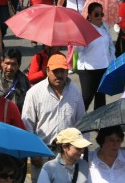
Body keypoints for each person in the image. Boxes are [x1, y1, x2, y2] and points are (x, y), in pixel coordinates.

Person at [22, 54, 86, 182]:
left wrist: (80, 151)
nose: (59, 75)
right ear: (47, 71)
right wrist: (33, 152)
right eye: (55, 71)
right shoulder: (34, 93)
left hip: (68, 154)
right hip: (41, 154)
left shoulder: (75, 92)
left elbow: (82, 123)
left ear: (67, 71)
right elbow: (27, 125)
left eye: (62, 71)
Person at [73, 2, 115, 110]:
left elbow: (110, 45)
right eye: (96, 14)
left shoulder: (105, 26)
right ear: (90, 15)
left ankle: (99, 125)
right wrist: (81, 38)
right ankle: (78, 122)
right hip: (88, 69)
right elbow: (77, 50)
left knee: (101, 99)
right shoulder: (84, 28)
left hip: (104, 67)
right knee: (87, 97)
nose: (100, 17)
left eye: (102, 14)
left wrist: (112, 61)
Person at [0, 47, 31, 113]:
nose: (9, 67)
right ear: (2, 63)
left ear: (19, 65)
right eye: (7, 63)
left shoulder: (24, 81)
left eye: (13, 64)